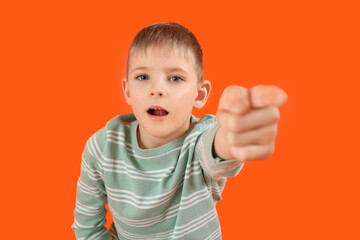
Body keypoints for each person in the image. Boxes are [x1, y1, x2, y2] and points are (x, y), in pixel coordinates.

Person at [72, 22, 288, 240]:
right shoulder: (101, 148)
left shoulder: (200, 141)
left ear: (200, 94)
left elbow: (218, 146)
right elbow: (87, 228)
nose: (157, 89)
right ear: (127, 91)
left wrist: (236, 131)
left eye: (175, 78)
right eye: (143, 77)